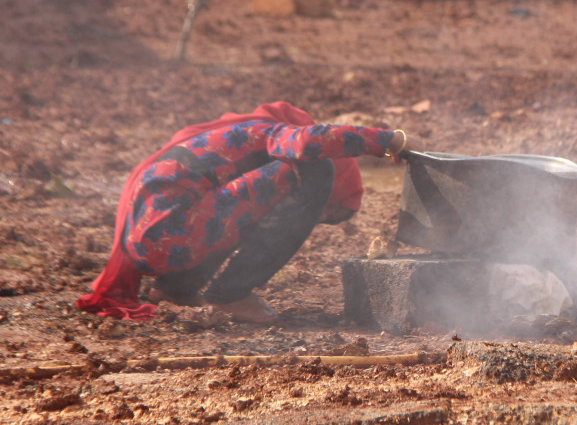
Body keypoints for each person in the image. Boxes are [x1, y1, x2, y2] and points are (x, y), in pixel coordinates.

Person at [77, 102, 414, 322]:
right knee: (316, 170)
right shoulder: (269, 132)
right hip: (174, 235)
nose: (319, 218)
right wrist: (387, 140)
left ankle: (177, 287)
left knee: (234, 204)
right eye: (328, 212)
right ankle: (232, 296)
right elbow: (306, 145)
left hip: (150, 241)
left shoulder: (226, 142)